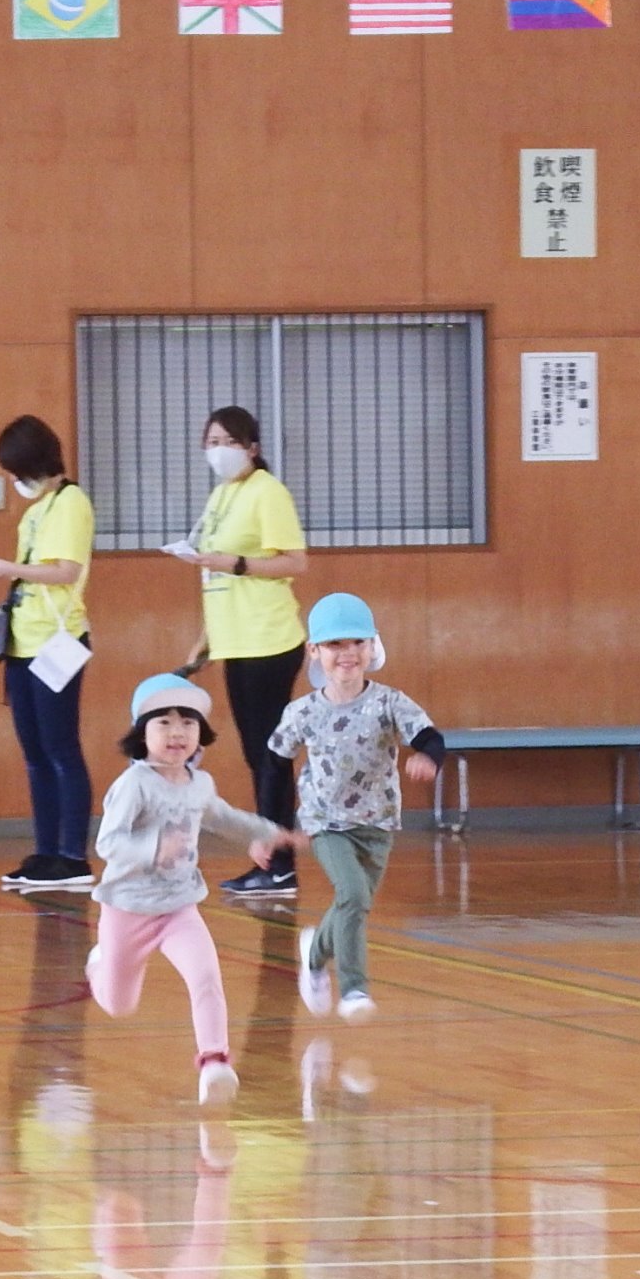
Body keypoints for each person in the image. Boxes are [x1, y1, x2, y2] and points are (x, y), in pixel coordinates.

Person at [86, 675, 298, 1105]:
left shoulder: (199, 784)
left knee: (205, 977)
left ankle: (214, 1061)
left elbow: (222, 817)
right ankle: (98, 965)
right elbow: (108, 844)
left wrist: (268, 833)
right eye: (163, 722)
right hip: (128, 909)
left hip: (179, 907)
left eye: (187, 722)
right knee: (119, 1004)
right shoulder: (133, 785)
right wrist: (154, 847)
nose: (177, 732)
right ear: (141, 733)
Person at [269, 594, 444, 1023]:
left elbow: (429, 737)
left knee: (356, 903)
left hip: (377, 822)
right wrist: (273, 827)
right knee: (351, 894)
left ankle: (315, 952)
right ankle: (354, 989)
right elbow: (274, 764)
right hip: (325, 823)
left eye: (357, 643)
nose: (347, 653)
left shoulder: (389, 702)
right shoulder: (302, 712)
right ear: (314, 651)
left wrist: (428, 757)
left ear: (372, 646)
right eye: (335, 644)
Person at [176, 407, 309, 898]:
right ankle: (271, 859)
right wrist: (206, 640)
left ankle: (279, 864)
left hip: (267, 640)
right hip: (236, 641)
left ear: (252, 447)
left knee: (270, 756)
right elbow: (215, 578)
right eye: (211, 441)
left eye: (229, 441)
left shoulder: (267, 492)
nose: (219, 450)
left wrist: (234, 563)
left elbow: (294, 561)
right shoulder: (221, 496)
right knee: (257, 755)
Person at [0, 415, 95, 889]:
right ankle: (46, 852)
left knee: (61, 748)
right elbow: (30, 573)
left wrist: (9, 568)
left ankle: (73, 856)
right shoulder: (36, 511)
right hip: (24, 642)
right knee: (35, 753)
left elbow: (65, 571)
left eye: (17, 470)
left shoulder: (71, 503)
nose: (15, 481)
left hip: (57, 641)